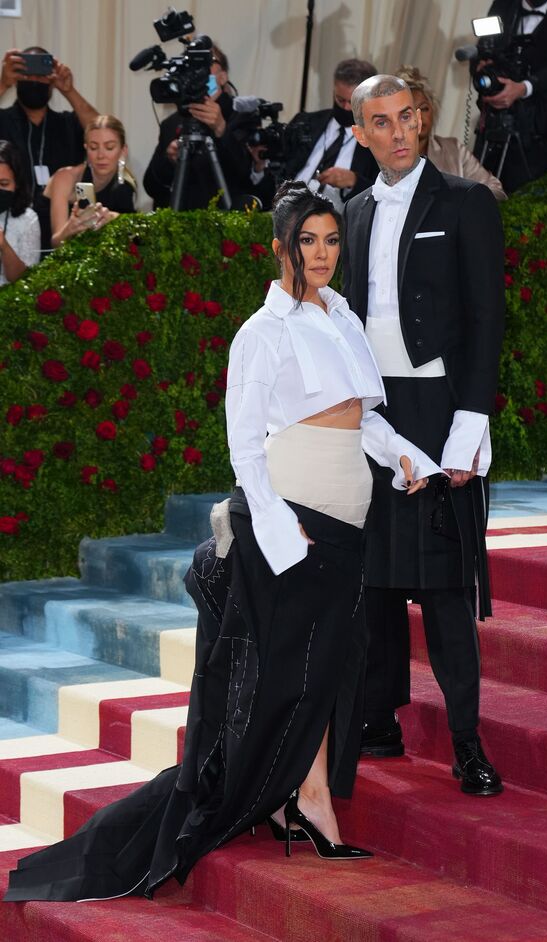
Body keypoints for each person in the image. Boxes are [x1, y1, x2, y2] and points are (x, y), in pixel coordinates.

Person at [5, 181, 441, 902]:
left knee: (327, 667)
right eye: (307, 241)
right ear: (279, 248)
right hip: (294, 513)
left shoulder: (343, 317)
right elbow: (244, 447)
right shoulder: (260, 332)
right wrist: (277, 528)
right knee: (286, 676)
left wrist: (407, 456)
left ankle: (305, 796)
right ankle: (296, 800)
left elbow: (363, 418)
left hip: (350, 511)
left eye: (332, 240)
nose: (322, 254)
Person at [343, 75, 505, 795]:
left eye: (406, 117)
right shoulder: (352, 212)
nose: (398, 132)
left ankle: (467, 741)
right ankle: (379, 719)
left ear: (421, 119)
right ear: (361, 134)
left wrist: (469, 427)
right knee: (375, 580)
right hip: (374, 413)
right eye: (381, 122)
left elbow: (487, 319)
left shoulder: (466, 202)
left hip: (442, 411)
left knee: (444, 587)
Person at [472, 0, 547, 192]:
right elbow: (482, 50)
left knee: (526, 196)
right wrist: (481, 67)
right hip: (493, 121)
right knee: (478, 191)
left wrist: (522, 88)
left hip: (535, 128)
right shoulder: (503, 5)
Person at [143, 44, 265, 210]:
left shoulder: (244, 117)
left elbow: (249, 178)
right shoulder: (173, 123)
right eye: (190, 64)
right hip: (181, 219)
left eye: (205, 62)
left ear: (222, 77)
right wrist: (169, 160)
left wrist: (222, 129)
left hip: (226, 219)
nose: (196, 69)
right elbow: (152, 186)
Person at [0, 46, 98, 249]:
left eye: (41, 74)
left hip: (62, 230)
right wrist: (3, 84)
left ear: (51, 81)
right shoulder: (3, 120)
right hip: (9, 231)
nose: (34, 79)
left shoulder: (67, 124)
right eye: (28, 73)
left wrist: (69, 91)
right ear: (17, 78)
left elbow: (103, 132)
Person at [281, 58, 380, 211]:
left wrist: (354, 181)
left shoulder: (377, 141)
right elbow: (280, 168)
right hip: (288, 211)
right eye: (340, 100)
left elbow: (384, 193)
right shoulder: (305, 122)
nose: (346, 107)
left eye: (352, 102)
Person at [395, 66, 506, 200]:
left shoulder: (454, 149)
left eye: (424, 109)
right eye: (410, 111)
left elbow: (495, 190)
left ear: (433, 110)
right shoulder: (386, 154)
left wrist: (461, 204)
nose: (419, 117)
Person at [45, 115, 136, 247]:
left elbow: (135, 236)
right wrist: (70, 228)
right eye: (93, 148)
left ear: (123, 151)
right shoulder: (66, 178)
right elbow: (56, 243)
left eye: (109, 147)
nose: (101, 155)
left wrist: (112, 218)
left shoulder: (126, 184)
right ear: (86, 148)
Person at [0, 139, 40, 286]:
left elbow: (26, 280)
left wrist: (4, 245)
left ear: (17, 183)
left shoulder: (28, 219)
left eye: (4, 184)